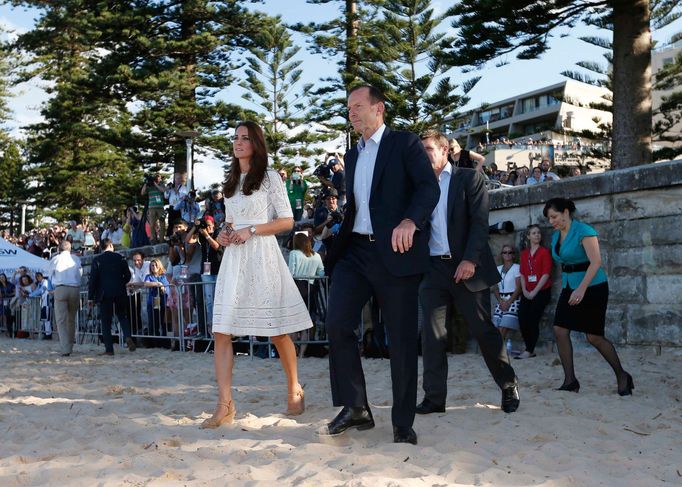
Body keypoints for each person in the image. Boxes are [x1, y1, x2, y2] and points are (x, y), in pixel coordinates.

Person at [319, 86, 439, 446]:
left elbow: (428, 189)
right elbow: (359, 204)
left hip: (396, 252)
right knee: (337, 323)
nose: (352, 113)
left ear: (379, 109)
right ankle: (356, 407)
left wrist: (410, 221)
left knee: (401, 340)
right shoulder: (352, 154)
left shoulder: (404, 143)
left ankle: (403, 422)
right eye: (349, 109)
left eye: (358, 107)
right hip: (355, 253)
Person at [201, 121, 312, 429]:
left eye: (245, 138)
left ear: (256, 143)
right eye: (235, 138)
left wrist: (252, 230)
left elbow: (288, 221)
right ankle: (225, 403)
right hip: (234, 260)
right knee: (221, 331)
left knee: (276, 330)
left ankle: (294, 386)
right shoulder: (231, 182)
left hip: (263, 256)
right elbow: (230, 221)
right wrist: (223, 234)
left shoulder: (270, 178)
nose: (238, 142)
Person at [416, 129, 519, 418]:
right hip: (433, 270)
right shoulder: (419, 186)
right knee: (432, 336)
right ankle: (434, 398)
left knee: (484, 331)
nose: (423, 155)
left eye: (427, 149)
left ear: (445, 150)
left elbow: (479, 222)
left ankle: (508, 384)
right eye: (420, 150)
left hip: (466, 267)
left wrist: (470, 259)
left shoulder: (468, 178)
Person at [544, 198, 633, 395]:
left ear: (566, 212)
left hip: (592, 287)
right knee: (559, 329)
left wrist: (582, 289)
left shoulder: (584, 231)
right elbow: (563, 261)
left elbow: (596, 262)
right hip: (569, 286)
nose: (552, 221)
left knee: (594, 337)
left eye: (554, 216)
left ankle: (622, 375)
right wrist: (573, 288)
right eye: (549, 218)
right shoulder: (555, 236)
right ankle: (570, 381)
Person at [88, 238, 136, 355]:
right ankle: (127, 336)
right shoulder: (120, 258)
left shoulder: (97, 260)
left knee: (106, 321)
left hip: (104, 293)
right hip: (120, 292)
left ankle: (109, 349)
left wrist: (90, 297)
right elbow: (128, 275)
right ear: (111, 246)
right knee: (122, 316)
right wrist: (121, 283)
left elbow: (93, 280)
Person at [517, 224, 553, 359]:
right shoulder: (524, 254)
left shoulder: (545, 252)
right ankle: (529, 348)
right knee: (521, 318)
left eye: (538, 233)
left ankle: (529, 349)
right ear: (528, 236)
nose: (537, 235)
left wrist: (534, 292)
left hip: (541, 291)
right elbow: (522, 274)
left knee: (532, 319)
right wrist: (525, 291)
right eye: (533, 233)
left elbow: (546, 274)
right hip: (527, 291)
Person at [49, 240, 82, 356]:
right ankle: (70, 345)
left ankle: (65, 348)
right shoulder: (76, 259)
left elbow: (50, 275)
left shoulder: (55, 259)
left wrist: (53, 286)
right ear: (70, 249)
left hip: (61, 287)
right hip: (74, 288)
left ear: (59, 249)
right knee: (71, 319)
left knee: (61, 320)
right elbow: (79, 274)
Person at [492, 245, 522, 342]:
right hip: (501, 300)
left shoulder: (517, 268)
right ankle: (499, 350)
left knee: (503, 327)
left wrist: (509, 302)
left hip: (514, 300)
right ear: (501, 255)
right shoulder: (498, 269)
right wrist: (500, 301)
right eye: (505, 252)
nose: (507, 254)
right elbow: (495, 287)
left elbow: (519, 287)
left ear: (514, 255)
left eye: (510, 252)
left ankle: (498, 351)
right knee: (496, 327)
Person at [139, 258, 170, 347]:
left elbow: (165, 286)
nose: (154, 267)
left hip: (163, 302)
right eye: (152, 265)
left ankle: (164, 342)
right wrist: (158, 284)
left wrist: (159, 284)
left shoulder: (163, 276)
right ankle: (155, 342)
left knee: (164, 323)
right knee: (153, 323)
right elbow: (146, 284)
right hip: (152, 303)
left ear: (159, 265)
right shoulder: (149, 276)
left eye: (156, 265)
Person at [127, 251, 150, 336]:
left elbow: (144, 283)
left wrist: (131, 285)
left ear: (143, 259)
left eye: (139, 260)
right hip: (145, 295)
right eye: (134, 260)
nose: (136, 262)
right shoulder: (136, 268)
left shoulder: (148, 265)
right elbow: (137, 282)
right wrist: (130, 287)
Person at [141, 173, 167, 244]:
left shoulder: (161, 185)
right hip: (151, 207)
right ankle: (154, 240)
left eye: (159, 177)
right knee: (152, 224)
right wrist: (146, 184)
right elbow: (142, 193)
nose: (158, 178)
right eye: (157, 177)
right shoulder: (149, 186)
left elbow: (163, 190)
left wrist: (155, 184)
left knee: (162, 224)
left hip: (160, 207)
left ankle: (161, 239)